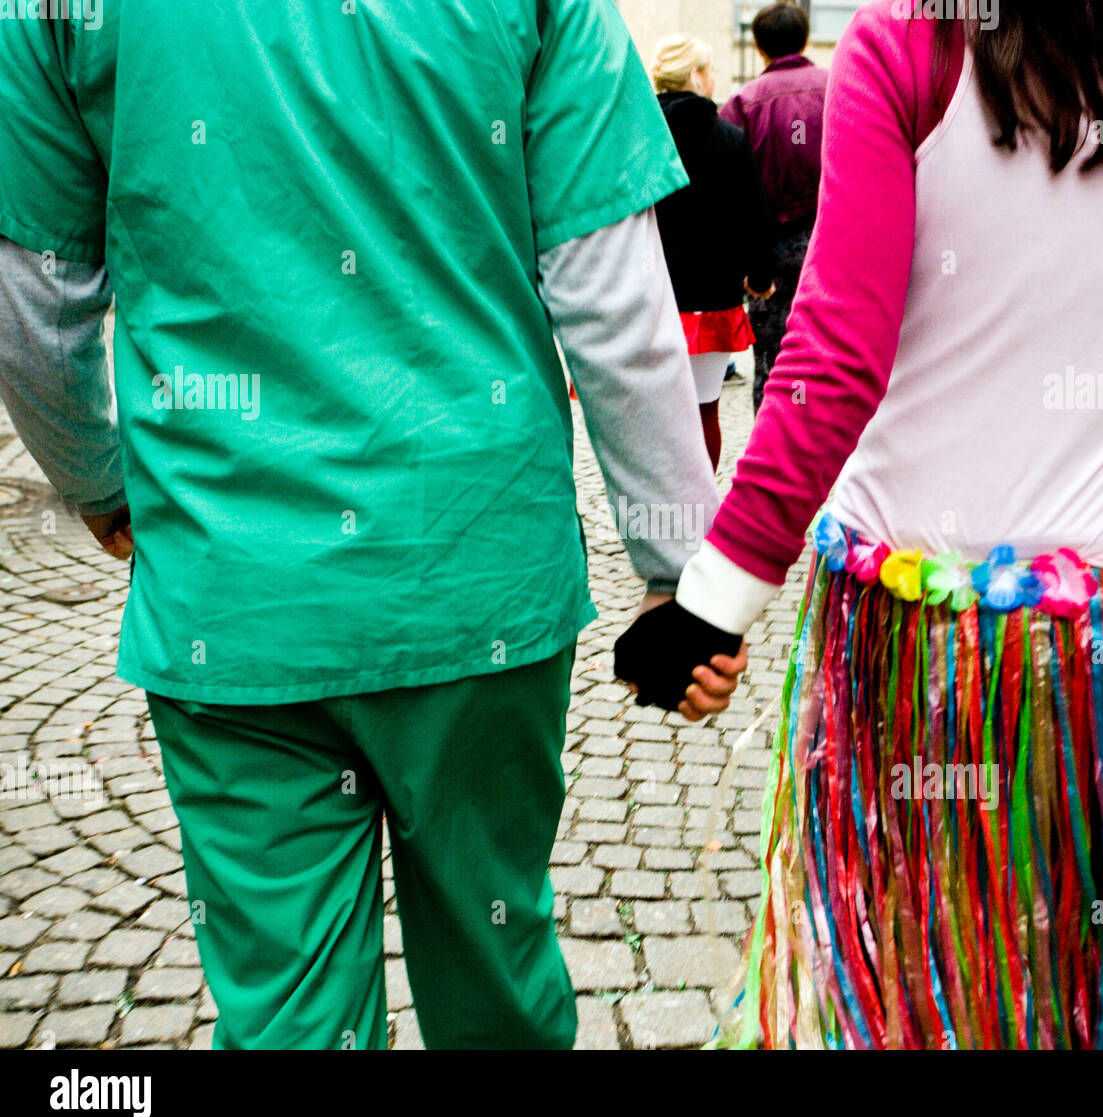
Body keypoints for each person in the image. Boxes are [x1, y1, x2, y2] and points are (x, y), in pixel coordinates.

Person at [0, 1, 746, 1050]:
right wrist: (681, 571)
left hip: (233, 587)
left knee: (287, 1016)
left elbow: (33, 290)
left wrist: (103, 475)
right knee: (495, 974)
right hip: (474, 562)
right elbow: (610, 293)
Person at [615, 0, 1103, 1048]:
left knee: (904, 993)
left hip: (924, 641)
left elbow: (837, 355)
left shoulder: (911, 42)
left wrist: (707, 605)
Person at [650, 34, 776, 471]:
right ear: (696, 75)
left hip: (650, 297)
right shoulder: (729, 139)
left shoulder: (638, 136)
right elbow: (754, 216)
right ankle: (699, 509)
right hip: (713, 300)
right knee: (706, 409)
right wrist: (760, 277)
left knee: (657, 415)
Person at [722, 2, 830, 413]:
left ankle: (771, 454)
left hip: (768, 249)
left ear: (760, 46)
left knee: (772, 358)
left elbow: (734, 190)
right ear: (803, 39)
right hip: (831, 241)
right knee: (831, 354)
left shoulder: (742, 103)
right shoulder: (835, 84)